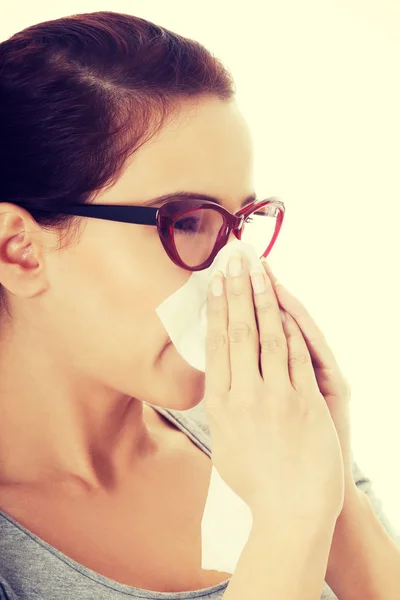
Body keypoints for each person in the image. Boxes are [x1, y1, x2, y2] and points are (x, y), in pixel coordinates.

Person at [0, 10, 398, 600]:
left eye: (242, 223)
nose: (236, 269)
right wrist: (288, 521)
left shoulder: (267, 430)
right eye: (186, 221)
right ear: (20, 251)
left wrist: (332, 494)